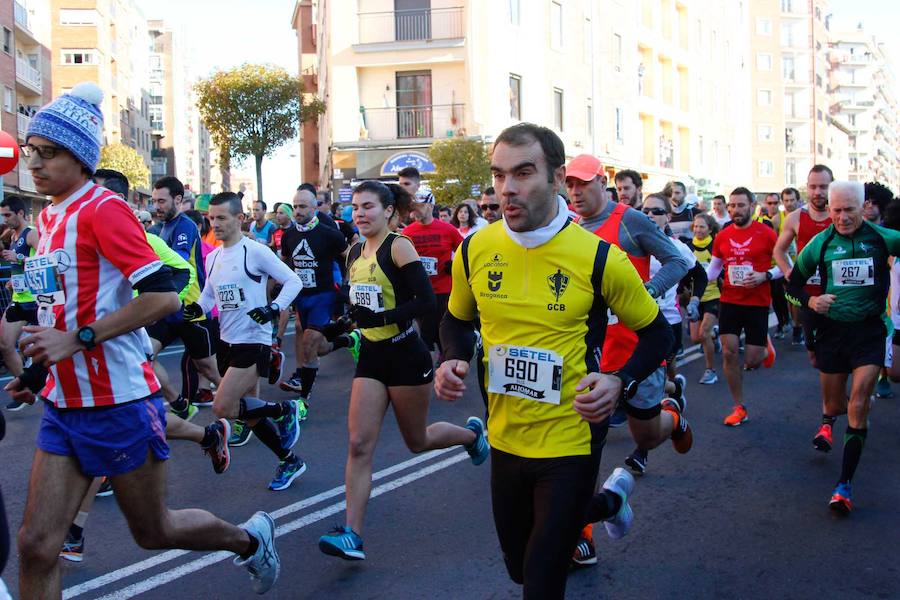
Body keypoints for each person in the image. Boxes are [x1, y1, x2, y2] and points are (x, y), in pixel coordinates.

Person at [6, 83, 279, 598]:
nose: (35, 164)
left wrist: (78, 339)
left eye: (49, 153)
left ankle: (249, 540)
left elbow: (163, 299)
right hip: (64, 403)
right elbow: (56, 305)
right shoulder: (46, 217)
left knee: (154, 531)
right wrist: (38, 371)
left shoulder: (102, 209)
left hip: (119, 401)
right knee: (37, 545)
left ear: (82, 158)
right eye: (31, 152)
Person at [435, 123, 673, 599]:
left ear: (559, 178)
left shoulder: (599, 258)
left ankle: (596, 500)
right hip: (505, 436)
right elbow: (456, 321)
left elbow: (658, 334)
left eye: (523, 173)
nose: (508, 189)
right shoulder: (475, 249)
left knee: (542, 582)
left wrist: (618, 381)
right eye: (499, 175)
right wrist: (453, 359)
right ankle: (609, 501)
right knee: (521, 570)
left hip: (572, 435)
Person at [317, 181, 488, 561]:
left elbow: (425, 301)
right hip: (371, 356)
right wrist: (344, 323)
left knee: (417, 441)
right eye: (356, 208)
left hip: (404, 354)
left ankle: (470, 436)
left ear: (389, 211)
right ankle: (352, 533)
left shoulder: (399, 246)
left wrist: (382, 316)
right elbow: (361, 301)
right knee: (359, 444)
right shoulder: (354, 252)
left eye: (368, 207)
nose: (360, 214)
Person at [786, 181, 900, 514]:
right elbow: (791, 287)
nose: (842, 217)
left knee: (860, 401)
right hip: (833, 333)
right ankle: (840, 421)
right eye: (836, 210)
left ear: (863, 207)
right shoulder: (821, 244)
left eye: (849, 210)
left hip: (869, 331)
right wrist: (812, 300)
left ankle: (844, 485)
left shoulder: (882, 237)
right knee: (834, 404)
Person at [185, 192, 307, 491]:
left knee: (223, 406)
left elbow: (294, 281)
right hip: (227, 339)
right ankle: (288, 458)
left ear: (240, 219)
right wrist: (195, 310)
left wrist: (273, 308)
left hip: (254, 339)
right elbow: (210, 296)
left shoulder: (255, 251)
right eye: (211, 218)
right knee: (249, 414)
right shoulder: (213, 256)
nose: (215, 224)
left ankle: (282, 411)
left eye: (222, 218)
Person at [623, 192, 704, 475]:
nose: (650, 215)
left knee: (657, 378)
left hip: (665, 324)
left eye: (656, 211)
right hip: (635, 324)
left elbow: (699, 275)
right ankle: (673, 395)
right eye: (645, 210)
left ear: (668, 217)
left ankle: (647, 442)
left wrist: (693, 299)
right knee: (649, 382)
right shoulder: (631, 243)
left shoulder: (676, 247)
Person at [149, 176, 222, 421]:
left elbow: (176, 262)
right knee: (144, 354)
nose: (156, 206)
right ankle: (180, 404)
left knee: (209, 370)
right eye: (154, 201)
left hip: (191, 309)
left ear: (178, 200)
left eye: (161, 201)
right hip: (167, 308)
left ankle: (248, 411)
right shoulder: (161, 228)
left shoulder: (185, 226)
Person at [705, 187, 779, 426]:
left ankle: (765, 348)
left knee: (752, 361)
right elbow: (714, 269)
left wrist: (764, 276)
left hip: (757, 303)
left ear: (752, 205)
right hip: (730, 300)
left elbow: (784, 266)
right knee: (728, 352)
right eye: (732, 206)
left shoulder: (766, 233)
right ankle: (739, 407)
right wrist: (692, 277)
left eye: (741, 205)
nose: (736, 210)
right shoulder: (723, 236)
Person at [278, 185, 355, 401]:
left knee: (309, 340)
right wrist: (276, 286)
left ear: (314, 208)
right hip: (302, 296)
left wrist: (347, 285)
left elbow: (350, 258)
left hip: (324, 295)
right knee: (318, 347)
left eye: (302, 206)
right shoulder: (289, 235)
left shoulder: (329, 233)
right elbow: (282, 264)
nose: (297, 211)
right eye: (295, 207)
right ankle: (348, 340)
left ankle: (303, 399)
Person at [775, 165, 833, 352]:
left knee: (837, 351)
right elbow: (779, 250)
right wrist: (788, 271)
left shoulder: (841, 215)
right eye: (813, 187)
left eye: (823, 187)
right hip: (809, 295)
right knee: (814, 351)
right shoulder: (795, 218)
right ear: (806, 188)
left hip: (839, 292)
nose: (817, 192)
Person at [402, 190, 464, 363]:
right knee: (428, 329)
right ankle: (440, 357)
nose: (415, 211)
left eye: (420, 206)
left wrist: (455, 265)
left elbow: (464, 251)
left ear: (430, 206)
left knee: (436, 329)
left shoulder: (447, 229)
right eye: (414, 207)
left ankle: (437, 360)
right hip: (419, 290)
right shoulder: (408, 232)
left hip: (444, 289)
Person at [0, 196, 39, 411]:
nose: (4, 219)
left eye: (8, 215)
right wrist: (13, 283)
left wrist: (20, 259)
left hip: (35, 302)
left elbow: (47, 259)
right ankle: (26, 385)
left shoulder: (30, 233)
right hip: (18, 299)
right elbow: (19, 269)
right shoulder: (12, 235)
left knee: (46, 350)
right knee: (5, 345)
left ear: (21, 213)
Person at [688, 213, 722, 385]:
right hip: (695, 297)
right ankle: (714, 335)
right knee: (695, 338)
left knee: (703, 333)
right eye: (695, 226)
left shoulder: (715, 245)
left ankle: (710, 370)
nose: (698, 230)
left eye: (702, 226)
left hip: (713, 295)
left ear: (710, 228)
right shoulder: (688, 247)